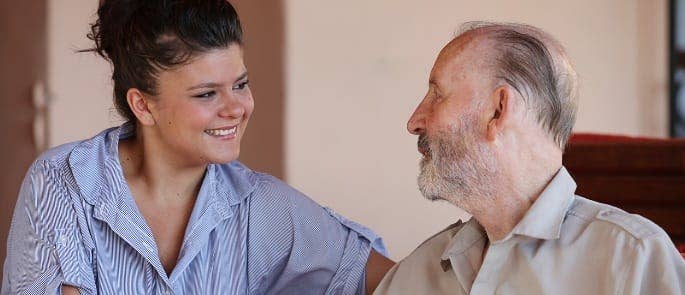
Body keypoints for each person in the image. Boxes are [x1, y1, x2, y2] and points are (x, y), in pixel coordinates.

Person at [1, 1, 393, 294]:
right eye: (207, 94)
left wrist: (456, 253)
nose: (237, 108)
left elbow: (391, 281)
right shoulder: (65, 183)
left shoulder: (264, 208)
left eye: (240, 84)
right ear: (143, 105)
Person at [374, 22, 685, 294]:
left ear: (498, 110)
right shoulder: (417, 273)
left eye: (437, 94)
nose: (414, 121)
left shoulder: (633, 258)